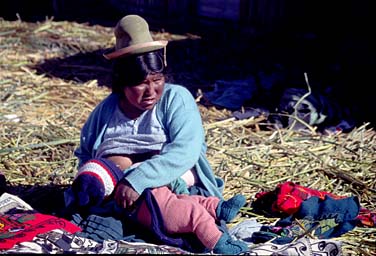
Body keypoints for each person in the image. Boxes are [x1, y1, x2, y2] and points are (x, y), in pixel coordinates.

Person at [70, 14, 248, 254]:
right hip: (119, 197)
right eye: (141, 83)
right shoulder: (106, 111)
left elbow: (187, 149)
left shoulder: (176, 98)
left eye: (157, 80)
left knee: (162, 200)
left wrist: (138, 178)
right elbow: (86, 154)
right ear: (122, 82)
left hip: (174, 185)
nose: (151, 91)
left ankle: (205, 225)